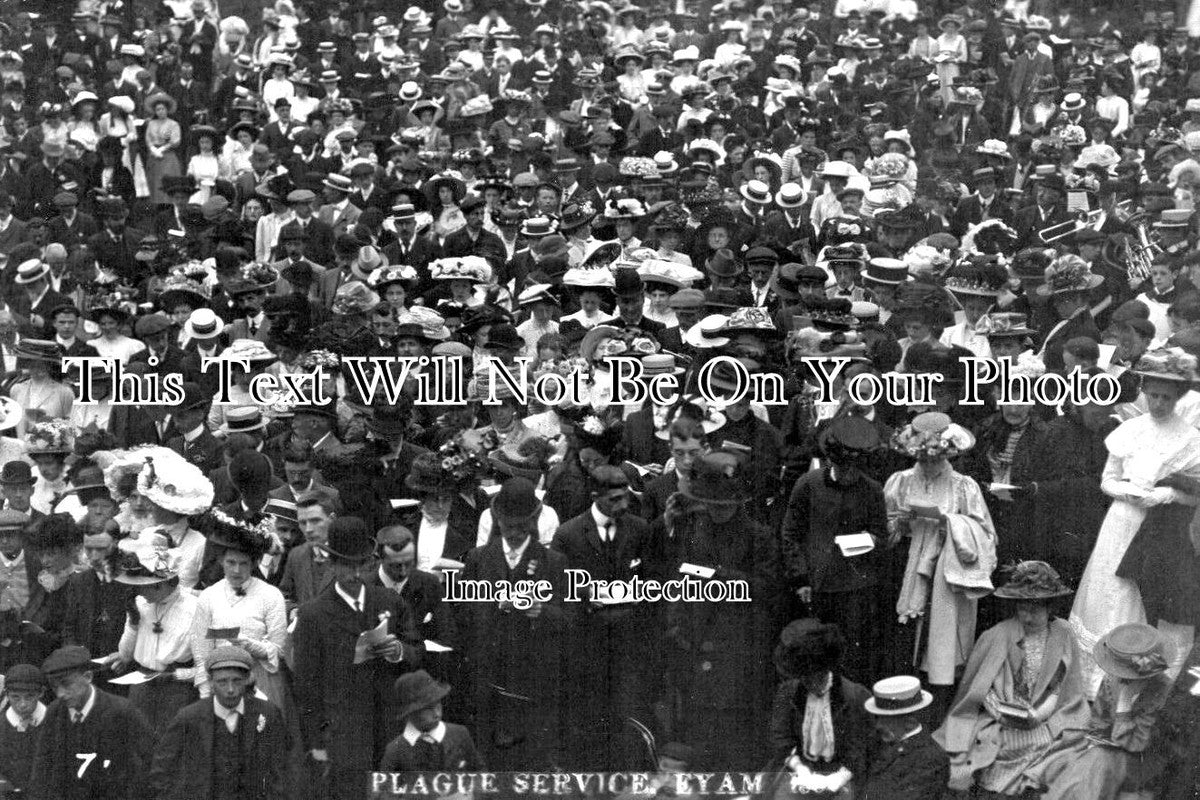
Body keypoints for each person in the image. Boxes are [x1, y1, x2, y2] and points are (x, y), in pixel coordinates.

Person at [1069, 349, 1200, 695]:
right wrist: (1126, 492)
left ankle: (1134, 677)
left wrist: (1165, 496)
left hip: (1159, 527)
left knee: (1139, 593)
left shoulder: (1191, 438)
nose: (1158, 403)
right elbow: (1107, 479)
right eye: (1153, 395)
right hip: (1121, 519)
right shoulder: (1130, 429)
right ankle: (1092, 683)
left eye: (1166, 398)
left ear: (1179, 397)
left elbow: (1195, 494)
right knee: (1107, 586)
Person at [291, 516, 423, 800]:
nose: (351, 574)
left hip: (389, 725)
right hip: (344, 733)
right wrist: (316, 742)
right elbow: (306, 686)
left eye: (357, 565)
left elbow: (417, 651)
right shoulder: (313, 614)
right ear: (331, 564)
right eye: (344, 565)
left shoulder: (388, 601)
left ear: (368, 564)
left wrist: (398, 651)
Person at [935, 561, 1090, 798]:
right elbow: (981, 688)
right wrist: (1001, 712)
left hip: (1047, 713)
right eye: (1022, 609)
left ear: (1050, 609)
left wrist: (1038, 715)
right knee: (1000, 744)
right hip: (1004, 716)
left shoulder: (1063, 633)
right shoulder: (998, 634)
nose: (1027, 617)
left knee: (1064, 743)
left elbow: (1061, 686)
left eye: (1035, 610)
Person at [457, 478, 572, 770]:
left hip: (532, 674)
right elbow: (461, 611)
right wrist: (492, 603)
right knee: (489, 752)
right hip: (488, 672)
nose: (515, 534)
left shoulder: (554, 562)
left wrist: (542, 610)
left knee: (530, 754)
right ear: (497, 520)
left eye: (522, 527)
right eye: (508, 526)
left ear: (534, 522)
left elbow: (570, 617)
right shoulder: (478, 559)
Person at [884, 412, 997, 698]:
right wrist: (901, 521)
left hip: (946, 568)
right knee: (906, 633)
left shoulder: (963, 485)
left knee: (941, 635)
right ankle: (905, 691)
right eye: (922, 458)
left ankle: (941, 696)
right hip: (906, 562)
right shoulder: (901, 481)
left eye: (934, 458)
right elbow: (883, 524)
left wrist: (953, 525)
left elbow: (985, 534)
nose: (928, 464)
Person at [782, 416, 889, 685]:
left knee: (852, 654)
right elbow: (791, 533)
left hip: (855, 587)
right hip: (816, 584)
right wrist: (800, 578)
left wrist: (870, 540)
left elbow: (881, 535)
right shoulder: (808, 484)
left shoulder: (872, 490)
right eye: (842, 468)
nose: (847, 475)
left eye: (853, 469)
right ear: (830, 461)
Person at [1027, 623, 1175, 800]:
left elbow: (1137, 744)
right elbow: (1099, 721)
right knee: (1080, 757)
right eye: (1120, 673)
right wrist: (1097, 740)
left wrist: (1124, 705)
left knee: (1097, 763)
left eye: (1126, 676)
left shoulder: (1163, 691)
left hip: (1142, 759)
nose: (1121, 679)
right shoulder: (1112, 679)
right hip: (1109, 747)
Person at [149, 644, 289, 800]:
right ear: (210, 682)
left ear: (247, 679)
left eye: (236, 681)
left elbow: (282, 769)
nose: (230, 689)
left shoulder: (267, 713)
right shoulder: (189, 718)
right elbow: (162, 772)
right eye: (222, 682)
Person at [102, 532, 200, 736]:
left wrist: (177, 675)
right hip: (142, 687)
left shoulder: (195, 610)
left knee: (170, 744)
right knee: (137, 743)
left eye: (144, 586)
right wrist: (133, 620)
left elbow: (206, 666)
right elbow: (126, 654)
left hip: (177, 689)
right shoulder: (141, 603)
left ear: (163, 583)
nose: (140, 592)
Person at [27, 644, 154, 800]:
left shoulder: (122, 712)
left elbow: (143, 770)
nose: (60, 694)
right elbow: (43, 768)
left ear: (88, 677)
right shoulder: (55, 712)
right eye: (54, 687)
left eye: (67, 684)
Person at [190, 510, 288, 710]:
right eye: (231, 563)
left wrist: (246, 643)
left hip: (259, 679)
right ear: (221, 562)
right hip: (220, 682)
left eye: (243, 564)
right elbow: (201, 650)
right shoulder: (209, 596)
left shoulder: (270, 595)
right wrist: (205, 693)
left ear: (253, 564)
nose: (236, 570)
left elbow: (277, 650)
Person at [768, 619, 872, 799]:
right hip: (801, 769)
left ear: (827, 668)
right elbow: (780, 739)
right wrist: (800, 769)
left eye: (817, 676)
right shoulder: (789, 692)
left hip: (843, 772)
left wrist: (838, 778)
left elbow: (862, 748)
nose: (810, 683)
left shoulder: (854, 695)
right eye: (805, 678)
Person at [859, 675, 948, 800]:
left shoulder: (931, 759)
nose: (878, 725)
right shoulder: (878, 741)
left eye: (886, 720)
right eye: (878, 718)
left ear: (909, 722)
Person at [378, 669, 484, 773]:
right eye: (428, 708)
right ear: (412, 713)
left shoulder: (460, 735)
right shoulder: (396, 750)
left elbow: (483, 778)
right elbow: (383, 788)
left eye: (438, 704)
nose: (437, 713)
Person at [0, 663, 47, 795]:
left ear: (41, 693)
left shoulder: (56, 722)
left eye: (29, 696)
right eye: (15, 697)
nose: (22, 704)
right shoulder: (1, 726)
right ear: (6, 695)